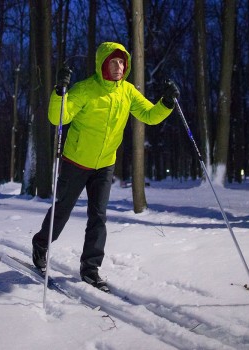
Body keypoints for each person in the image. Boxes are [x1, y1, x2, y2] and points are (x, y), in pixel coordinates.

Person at [32, 41, 179, 292]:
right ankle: (41, 244)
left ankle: (90, 267)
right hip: (76, 161)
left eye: (122, 61)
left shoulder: (128, 92)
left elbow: (150, 116)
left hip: (105, 164)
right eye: (114, 61)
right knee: (63, 209)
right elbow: (59, 117)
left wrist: (166, 103)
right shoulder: (85, 89)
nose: (119, 66)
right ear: (102, 64)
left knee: (98, 216)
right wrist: (60, 92)